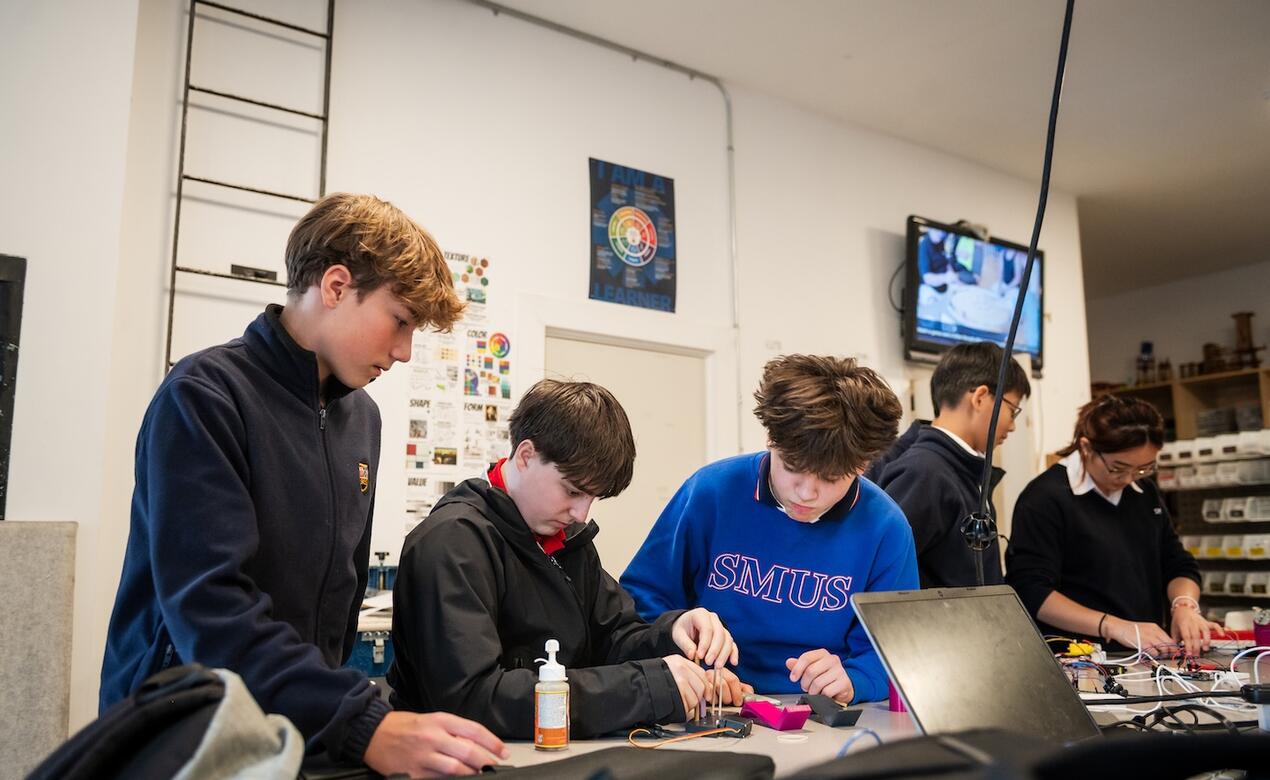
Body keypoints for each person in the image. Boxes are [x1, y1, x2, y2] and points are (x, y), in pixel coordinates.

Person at [100, 193, 509, 777]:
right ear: (337, 286)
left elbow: (342, 598)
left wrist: (335, 713)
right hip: (185, 735)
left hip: (298, 733)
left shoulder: (362, 419)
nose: (403, 351)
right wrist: (359, 721)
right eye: (400, 321)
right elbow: (211, 609)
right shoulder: (205, 396)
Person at [387, 379, 740, 739]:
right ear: (526, 456)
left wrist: (671, 635)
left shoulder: (566, 540)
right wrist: (648, 687)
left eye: (592, 498)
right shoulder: (452, 543)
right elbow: (473, 699)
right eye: (572, 491)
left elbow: (613, 638)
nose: (581, 513)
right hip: (462, 756)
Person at [621, 355, 919, 705]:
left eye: (831, 478)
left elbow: (898, 650)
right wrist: (685, 656)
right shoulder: (711, 493)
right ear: (771, 439)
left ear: (863, 465)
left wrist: (856, 678)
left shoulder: (886, 527)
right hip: (704, 702)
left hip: (819, 711)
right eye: (792, 468)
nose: (806, 493)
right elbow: (639, 603)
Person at [1006, 395, 1219, 652]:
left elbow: (1178, 563)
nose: (1129, 479)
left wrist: (1184, 606)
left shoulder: (1144, 491)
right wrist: (1112, 626)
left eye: (1143, 468)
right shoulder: (1045, 498)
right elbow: (1031, 591)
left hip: (1148, 653)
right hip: (1079, 657)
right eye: (1118, 468)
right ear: (1086, 447)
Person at [876, 342, 1031, 587]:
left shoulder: (962, 468)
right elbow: (879, 572)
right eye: (1012, 410)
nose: (1012, 426)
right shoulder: (925, 473)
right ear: (980, 398)